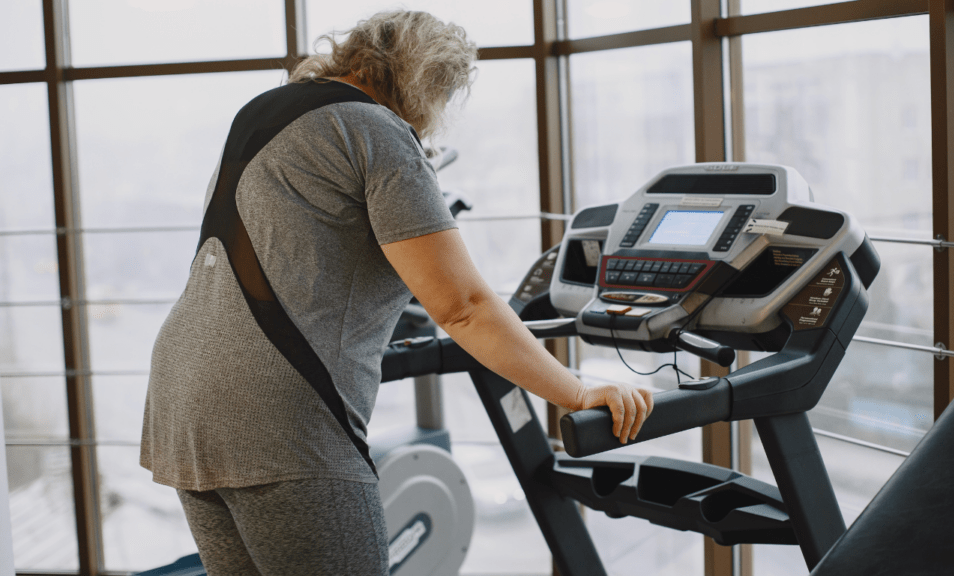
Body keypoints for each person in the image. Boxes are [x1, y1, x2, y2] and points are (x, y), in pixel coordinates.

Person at [140, 10, 653, 576]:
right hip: (280, 413)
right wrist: (576, 393)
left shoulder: (263, 112)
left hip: (182, 397)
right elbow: (463, 307)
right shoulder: (377, 131)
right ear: (426, 80)